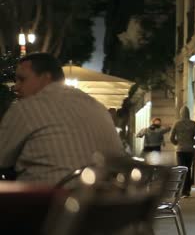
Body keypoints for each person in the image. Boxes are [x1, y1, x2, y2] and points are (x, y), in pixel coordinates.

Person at [0, 53, 125, 185]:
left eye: (22, 79)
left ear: (45, 77)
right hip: (108, 199)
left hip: (49, 201)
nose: (16, 87)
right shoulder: (97, 106)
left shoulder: (26, 108)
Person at [170, 106, 195, 196]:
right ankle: (187, 190)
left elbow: (171, 137)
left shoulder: (177, 124)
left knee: (181, 169)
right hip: (190, 149)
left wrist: (176, 143)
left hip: (180, 150)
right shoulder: (193, 124)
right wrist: (193, 142)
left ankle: (181, 189)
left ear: (181, 113)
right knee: (188, 169)